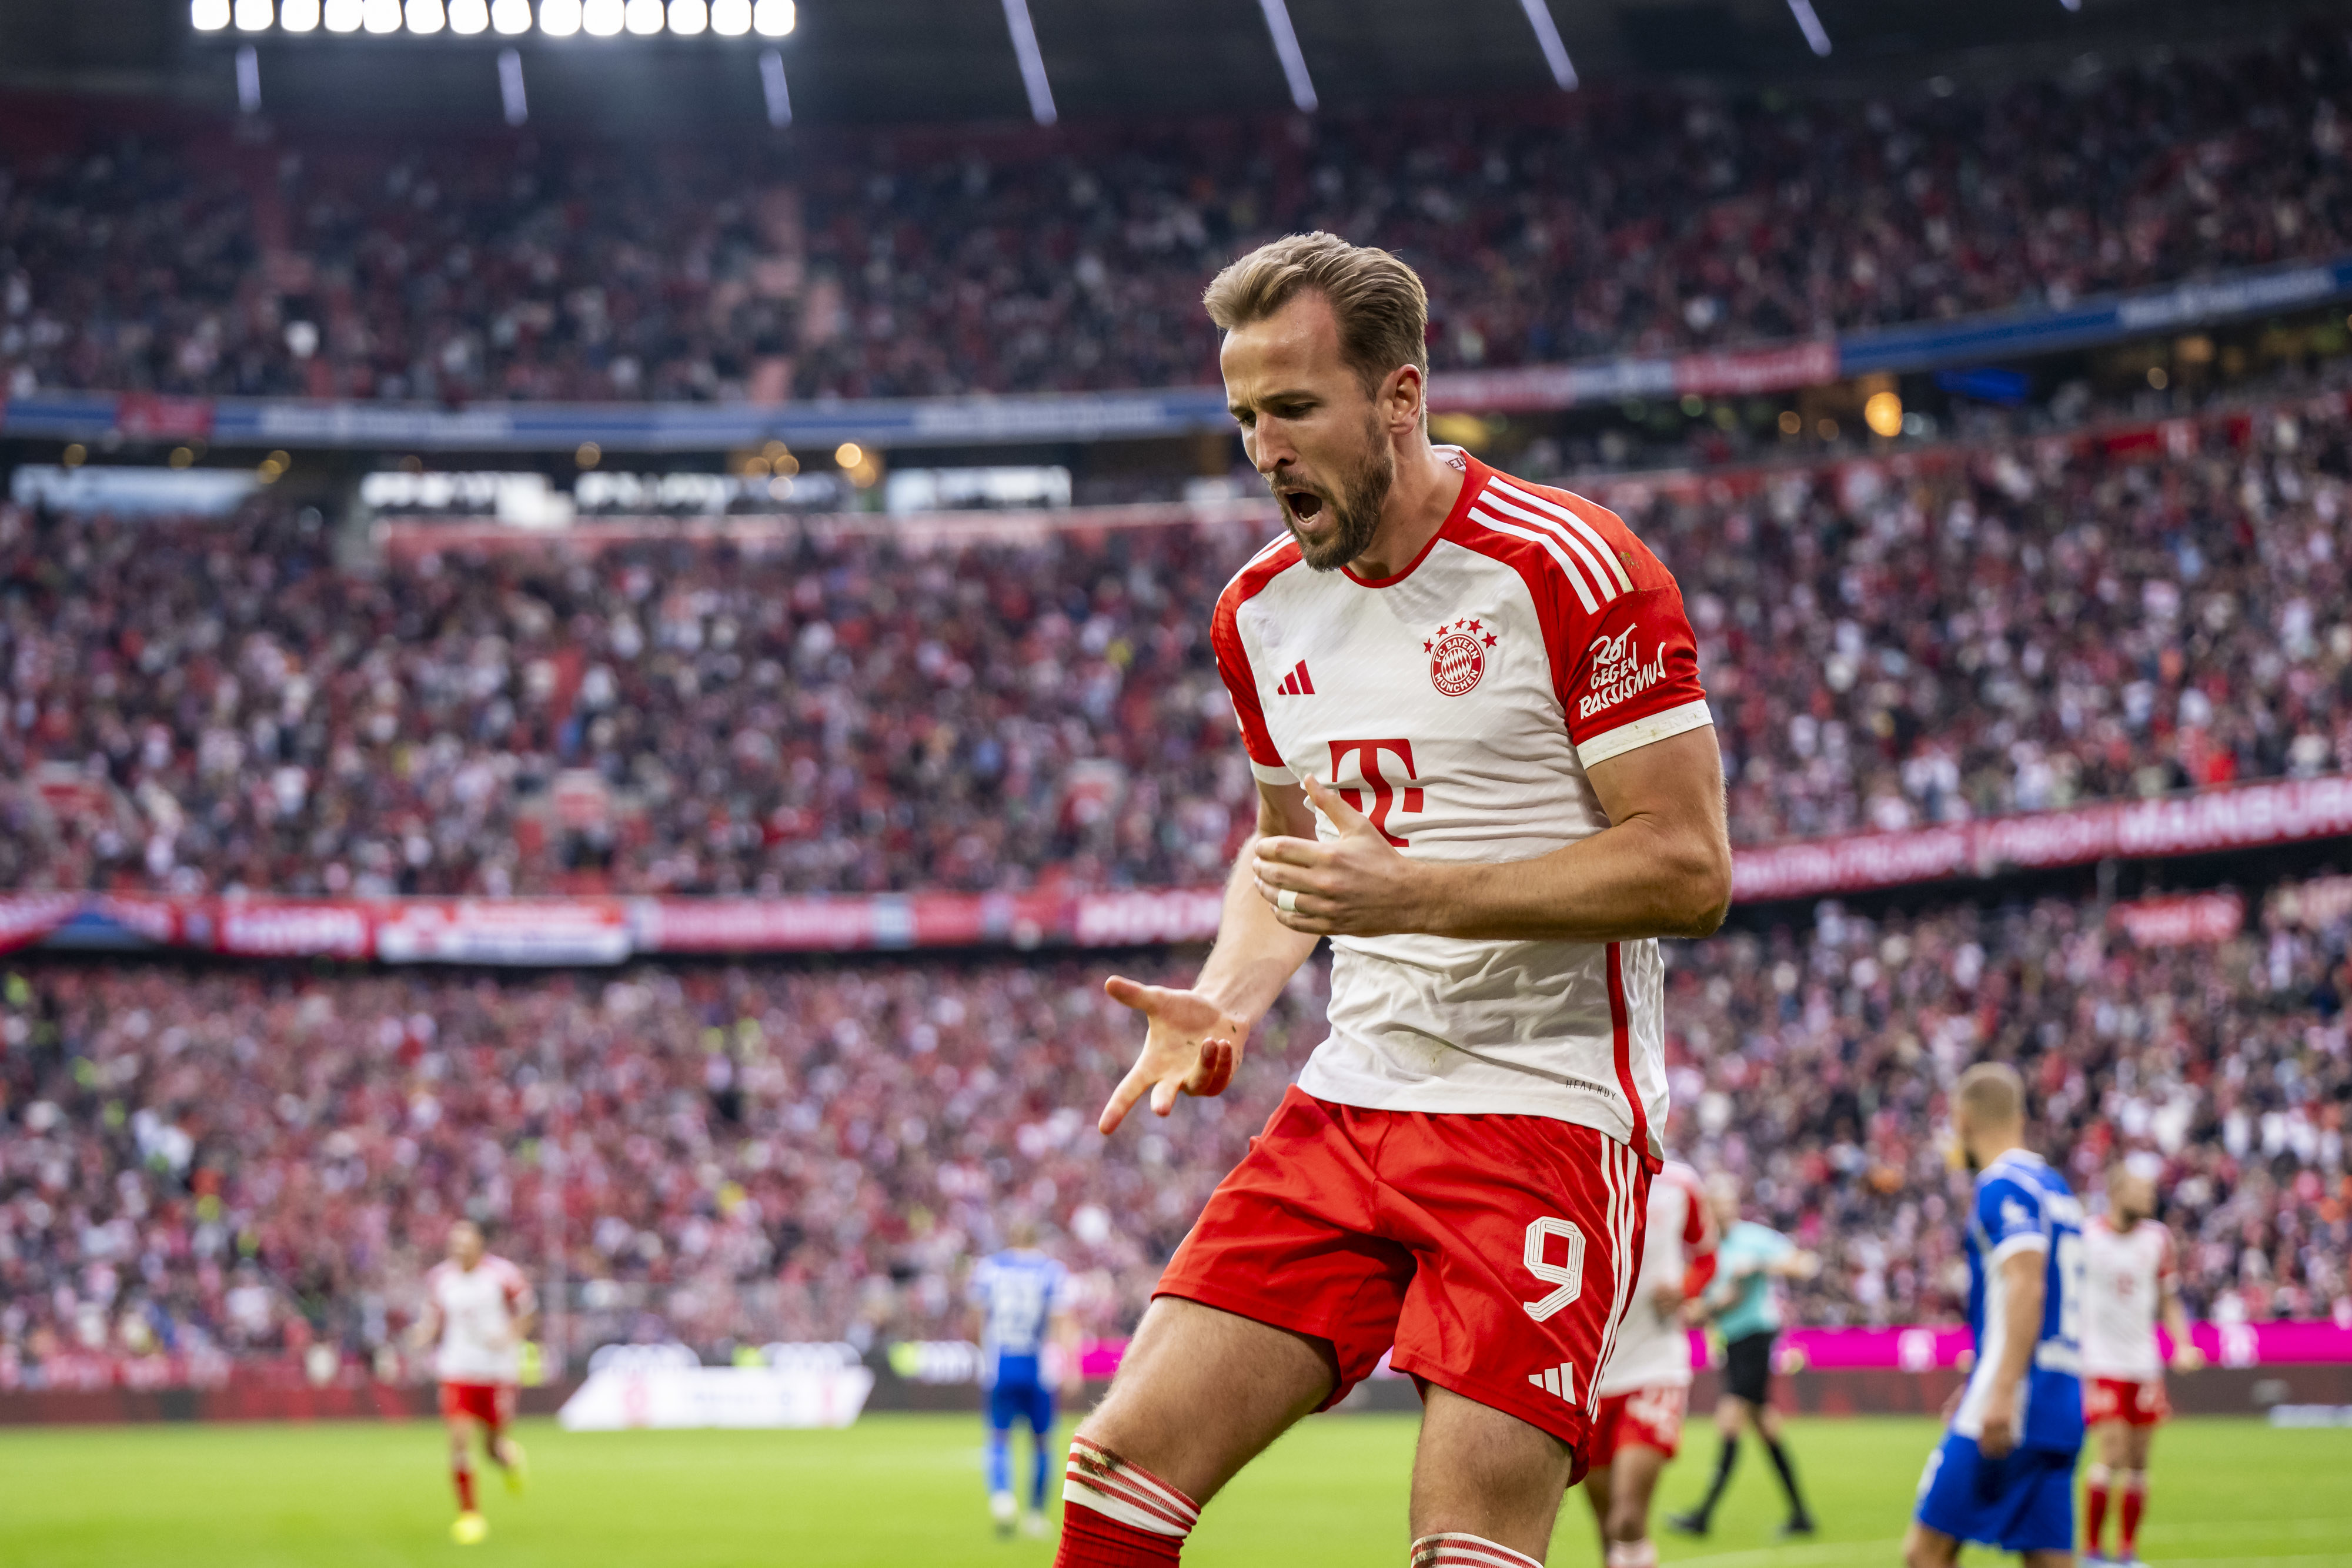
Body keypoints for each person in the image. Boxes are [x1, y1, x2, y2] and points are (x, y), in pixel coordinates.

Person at [1060, 230, 1733, 1568]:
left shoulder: (1571, 567)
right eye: (1244, 416)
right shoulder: (1256, 613)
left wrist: (1419, 894)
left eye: (1295, 409)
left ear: (1400, 399)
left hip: (1542, 1113)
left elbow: (1686, 867)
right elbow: (1285, 853)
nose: (1265, 450)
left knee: (1465, 1549)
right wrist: (1227, 995)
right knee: (1117, 1467)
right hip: (1355, 1097)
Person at [1905, 1062, 2086, 1568]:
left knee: (1925, 1554)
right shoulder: (2056, 1187)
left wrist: (2000, 1387)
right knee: (2050, 1559)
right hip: (2061, 1399)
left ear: (1962, 1118)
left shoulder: (2002, 1186)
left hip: (2018, 1399)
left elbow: (2028, 1283)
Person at [1668, 1174, 1818, 1538]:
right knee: (1765, 1427)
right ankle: (1801, 1516)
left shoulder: (1753, 1239)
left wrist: (1759, 1266)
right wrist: (1714, 1305)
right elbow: (1697, 1310)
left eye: (1726, 1205)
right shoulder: (1705, 1251)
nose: (1721, 1212)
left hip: (1756, 1338)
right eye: (1715, 1206)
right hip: (1732, 1343)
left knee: (1730, 1418)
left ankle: (1703, 1516)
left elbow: (1806, 1264)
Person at [1582, 1158, 1716, 1568]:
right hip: (1591, 1374)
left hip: (1655, 1366)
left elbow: (1707, 1257)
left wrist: (1685, 1289)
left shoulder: (1681, 1183)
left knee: (1627, 1518)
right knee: (1607, 1529)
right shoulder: (1584, 1169)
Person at [2079, 1166, 2203, 1566]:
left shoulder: (2157, 1239)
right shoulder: (2087, 1236)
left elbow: (2168, 1298)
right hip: (2101, 1358)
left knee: (2138, 1459)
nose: (2150, 1197)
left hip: (2143, 1361)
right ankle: (2093, 1551)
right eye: (2142, 1189)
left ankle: (2128, 1552)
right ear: (2116, 1191)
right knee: (2111, 1450)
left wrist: (2182, 1343)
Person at [413, 1219, 536, 1546]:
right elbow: (432, 1318)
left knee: (493, 1448)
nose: (459, 1252)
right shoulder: (441, 1278)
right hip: (457, 1368)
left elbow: (528, 1311)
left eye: (465, 1246)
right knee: (459, 1438)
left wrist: (510, 1336)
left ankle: (511, 1460)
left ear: (480, 1245)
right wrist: (422, 1334)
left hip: (497, 1371)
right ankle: (470, 1515)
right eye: (454, 1246)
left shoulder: (503, 1275)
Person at [971, 1219, 1079, 1539]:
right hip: (1039, 1368)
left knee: (998, 1436)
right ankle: (1034, 1515)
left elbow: (977, 1315)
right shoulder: (1051, 1271)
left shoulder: (989, 1269)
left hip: (1000, 1363)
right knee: (1042, 1442)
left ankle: (1002, 1496)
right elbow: (1062, 1321)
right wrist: (1071, 1365)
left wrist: (982, 1350)